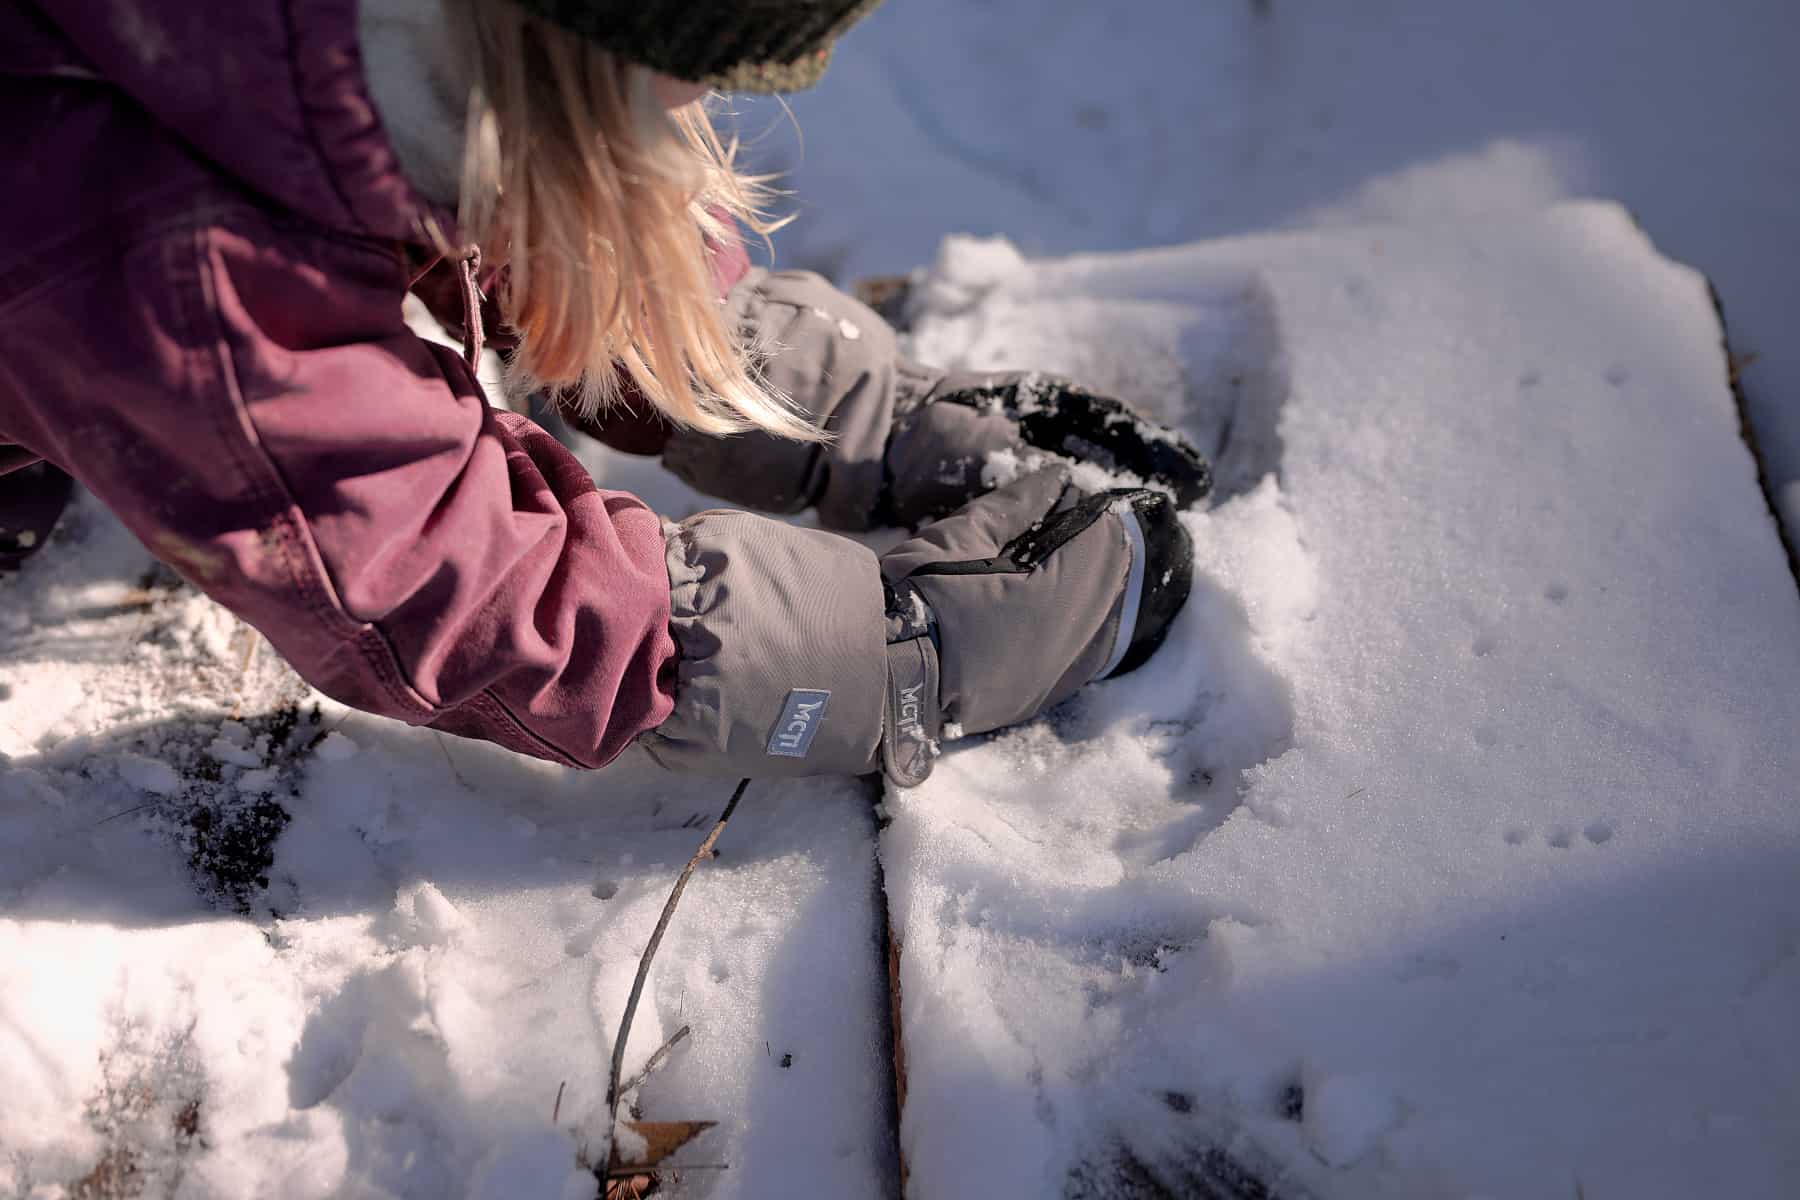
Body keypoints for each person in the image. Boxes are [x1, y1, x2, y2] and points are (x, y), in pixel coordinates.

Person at [0, 0, 1207, 787]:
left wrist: (849, 412)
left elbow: (508, 186)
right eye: (675, 85)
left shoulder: (341, 53)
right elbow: (443, 585)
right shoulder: (187, 267)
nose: (698, 113)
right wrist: (902, 646)